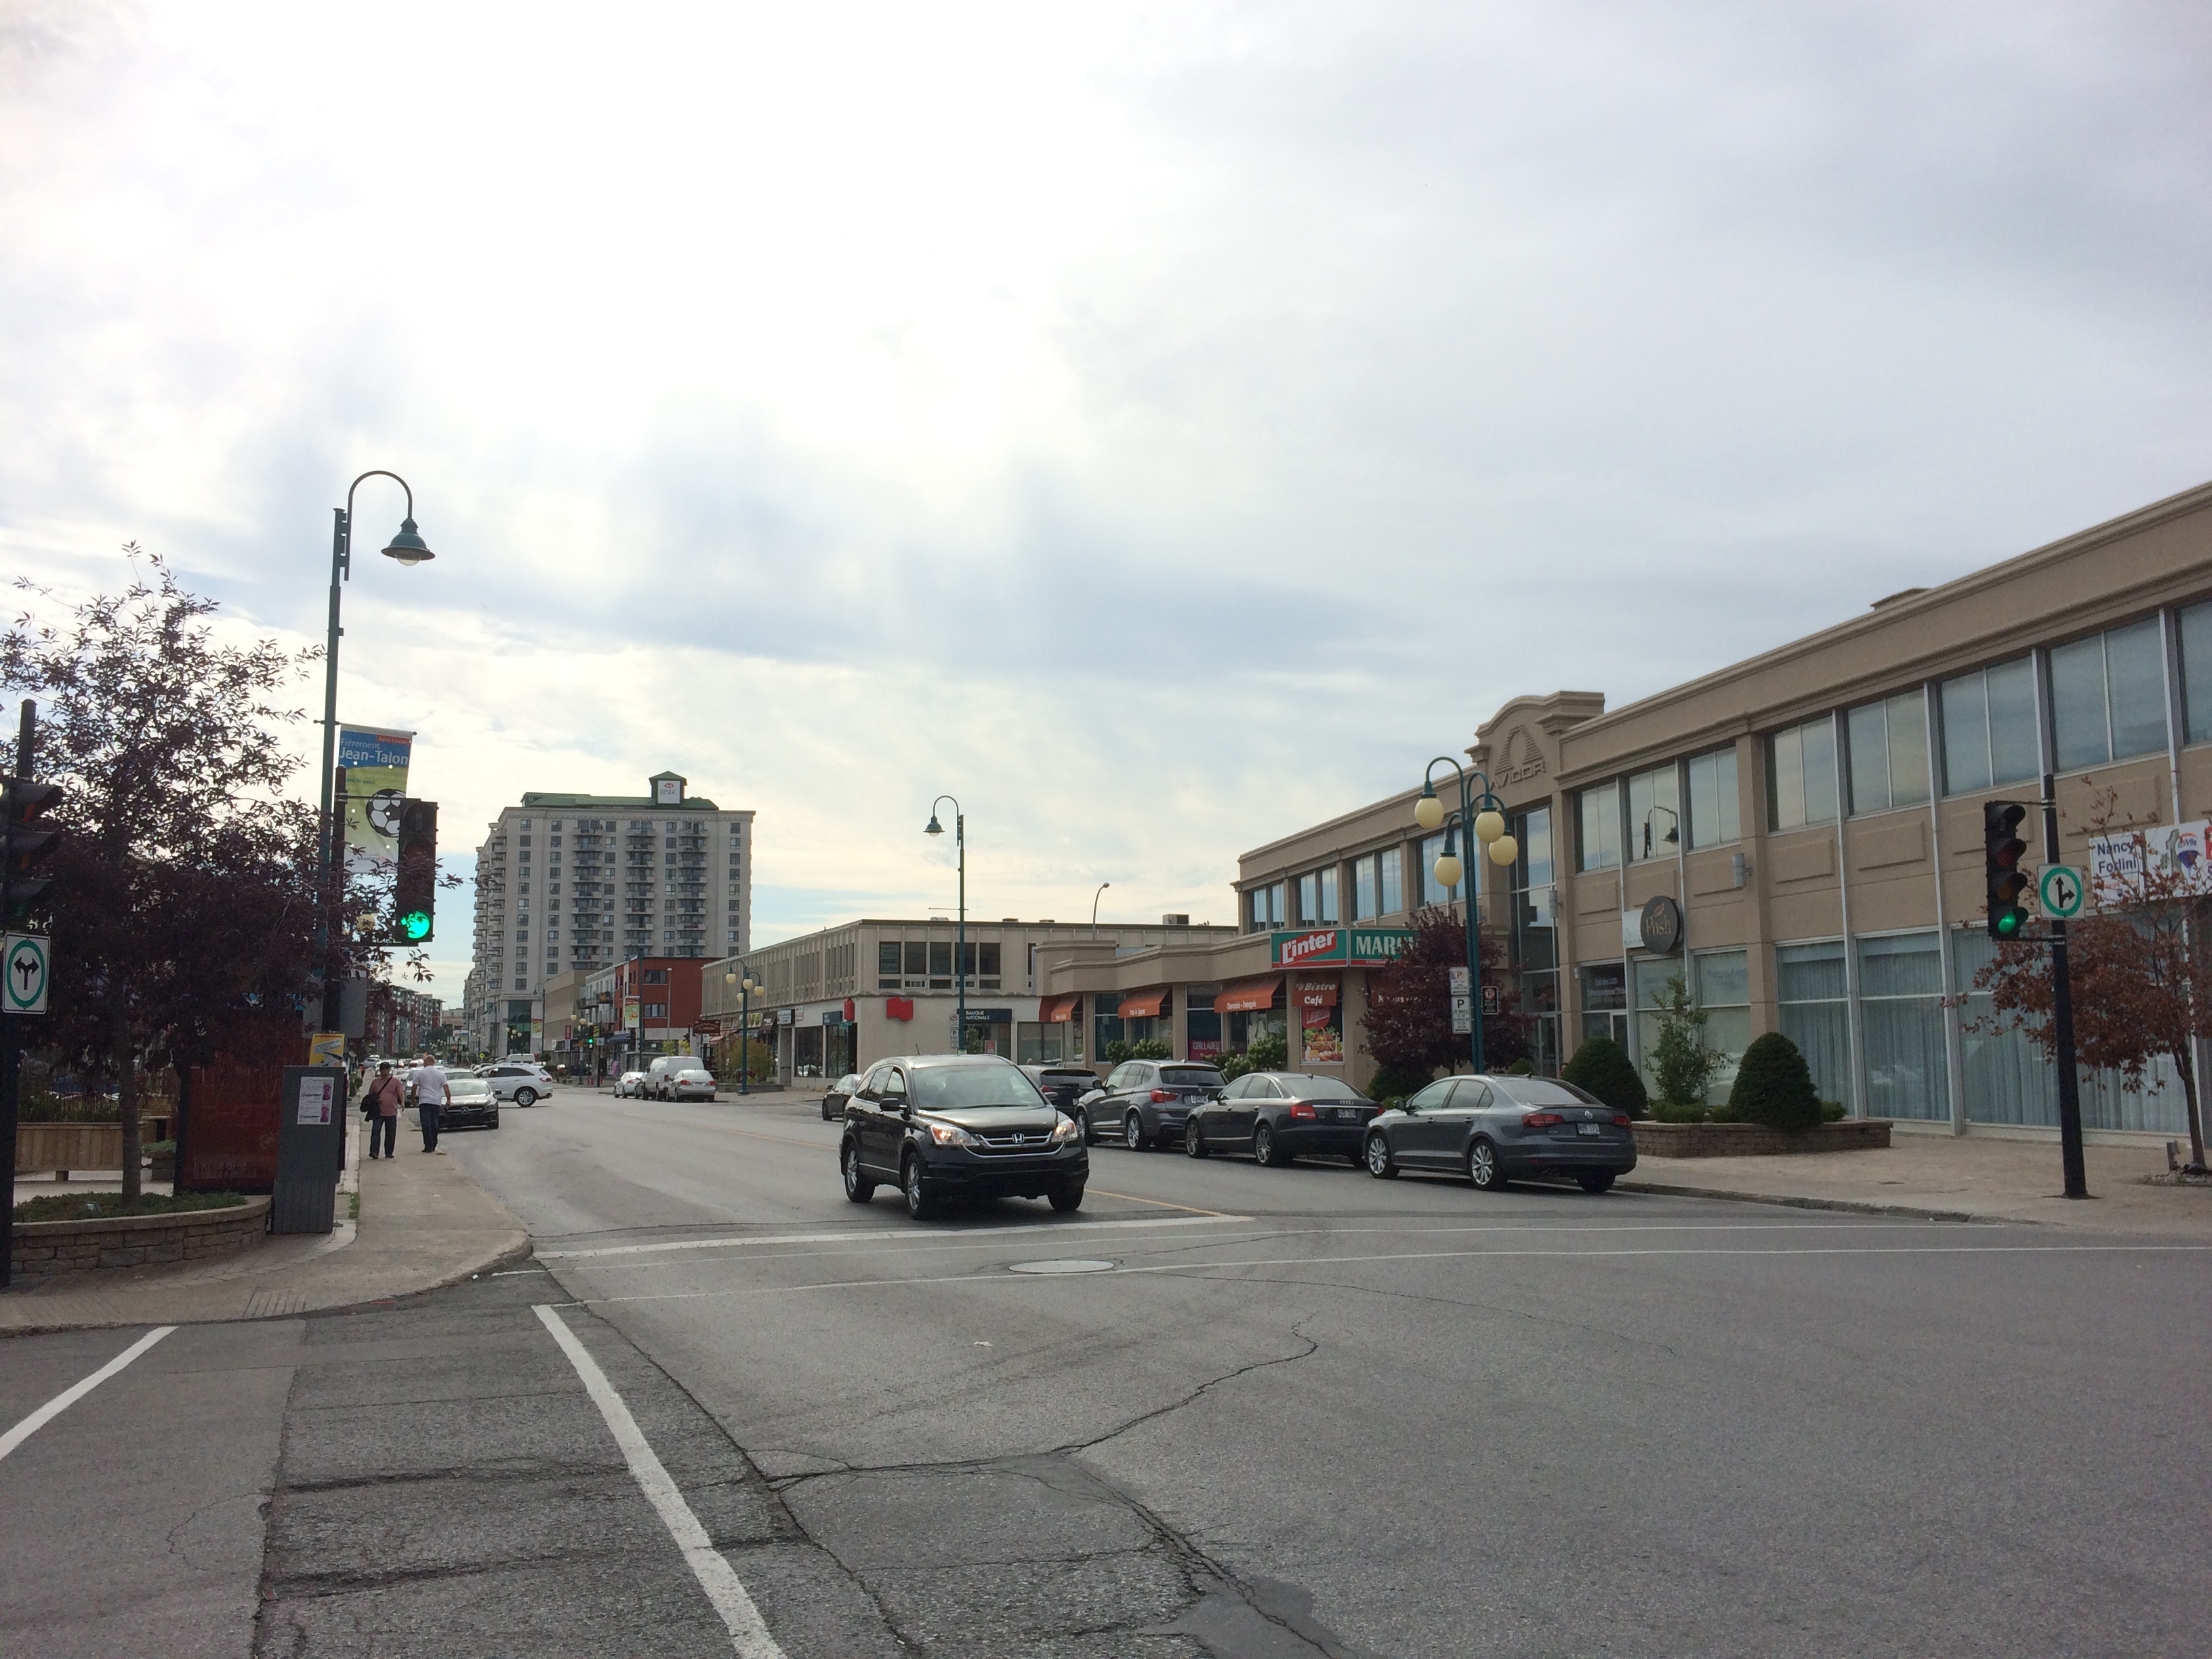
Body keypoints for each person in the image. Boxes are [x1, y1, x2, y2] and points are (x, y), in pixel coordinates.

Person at [410, 1054, 450, 1153]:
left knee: (426, 1123)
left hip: (424, 1101)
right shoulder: (441, 1074)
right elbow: (446, 1087)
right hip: (436, 1101)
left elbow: (414, 1087)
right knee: (434, 1122)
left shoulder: (420, 1073)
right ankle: (434, 1143)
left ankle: (428, 1145)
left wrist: (413, 1099)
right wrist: (449, 1099)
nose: (424, 1063)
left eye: (425, 1061)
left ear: (428, 1061)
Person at [364, 1061, 403, 1159]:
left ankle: (389, 1152)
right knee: (376, 1131)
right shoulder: (375, 1082)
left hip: (391, 1110)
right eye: (382, 1069)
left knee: (391, 1133)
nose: (384, 1071)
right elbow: (370, 1095)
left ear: (389, 1070)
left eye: (386, 1069)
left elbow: (400, 1092)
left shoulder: (395, 1082)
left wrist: (402, 1103)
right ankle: (374, 1151)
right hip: (378, 1111)